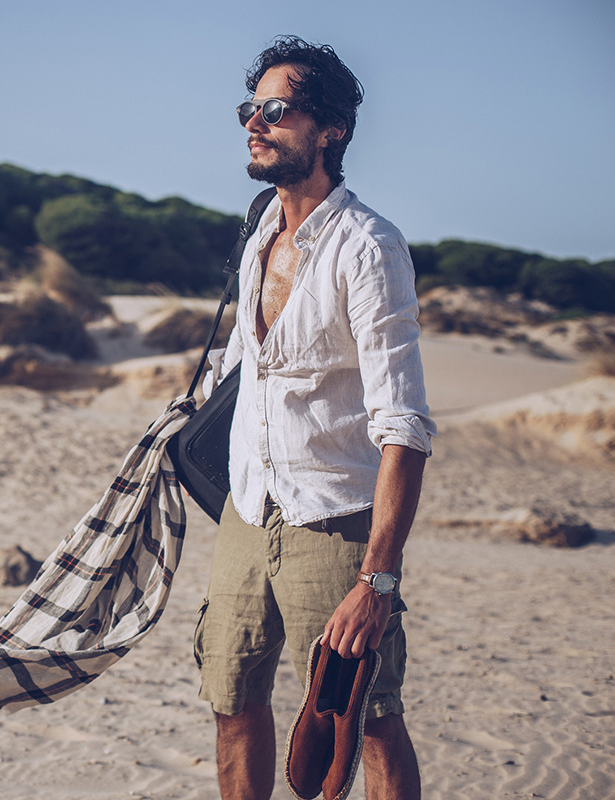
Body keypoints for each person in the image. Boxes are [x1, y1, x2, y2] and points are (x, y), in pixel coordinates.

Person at [194, 37, 435, 800]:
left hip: (335, 526)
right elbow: (241, 365)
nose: (254, 125)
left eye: (276, 110)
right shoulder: (260, 229)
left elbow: (404, 425)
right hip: (246, 511)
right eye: (249, 110)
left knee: (365, 718)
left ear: (329, 128)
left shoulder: (369, 248)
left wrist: (379, 579)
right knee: (231, 702)